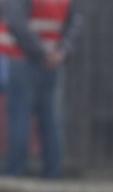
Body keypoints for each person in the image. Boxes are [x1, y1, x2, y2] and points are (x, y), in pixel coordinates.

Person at [0, 0, 82, 179]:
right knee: (49, 119)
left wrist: (41, 53)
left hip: (21, 58)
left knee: (20, 116)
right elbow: (75, 24)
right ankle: (52, 173)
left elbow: (16, 22)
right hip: (52, 62)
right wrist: (61, 53)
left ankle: (15, 172)